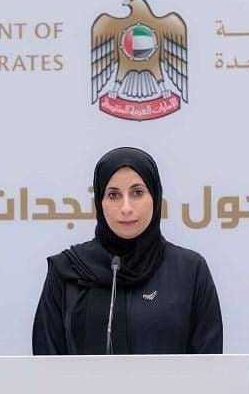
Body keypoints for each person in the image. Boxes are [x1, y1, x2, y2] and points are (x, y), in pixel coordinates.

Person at [32, 147, 222, 354]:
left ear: (155, 196)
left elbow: (209, 364)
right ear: (100, 202)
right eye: (113, 195)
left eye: (137, 193)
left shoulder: (189, 270)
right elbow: (46, 362)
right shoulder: (68, 270)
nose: (126, 208)